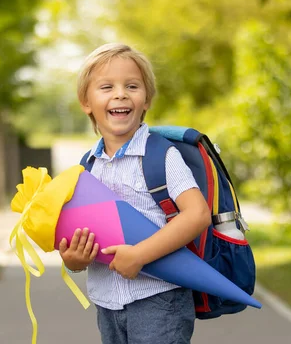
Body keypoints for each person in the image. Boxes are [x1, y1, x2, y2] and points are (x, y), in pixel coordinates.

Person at [58, 42, 211, 344]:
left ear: (146, 100)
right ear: (85, 102)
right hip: (107, 303)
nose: (120, 94)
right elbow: (83, 235)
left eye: (132, 86)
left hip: (160, 299)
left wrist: (140, 255)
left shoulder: (161, 155)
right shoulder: (86, 167)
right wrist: (73, 260)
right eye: (106, 87)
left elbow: (197, 214)